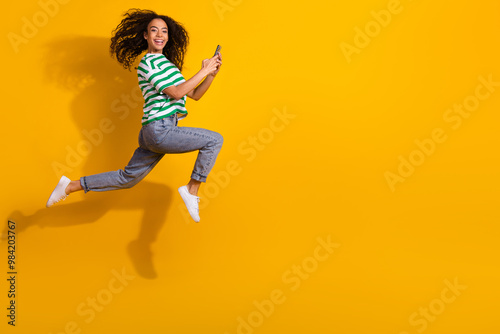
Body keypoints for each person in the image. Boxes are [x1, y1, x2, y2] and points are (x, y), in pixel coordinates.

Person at [46, 9, 224, 222]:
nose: (160, 35)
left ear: (168, 36)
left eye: (164, 31)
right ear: (146, 36)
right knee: (214, 140)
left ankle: (71, 185)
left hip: (158, 130)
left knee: (127, 178)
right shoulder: (147, 63)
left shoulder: (167, 65)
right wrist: (203, 71)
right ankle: (192, 190)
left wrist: (211, 75)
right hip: (159, 130)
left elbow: (194, 94)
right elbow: (176, 92)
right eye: (154, 30)